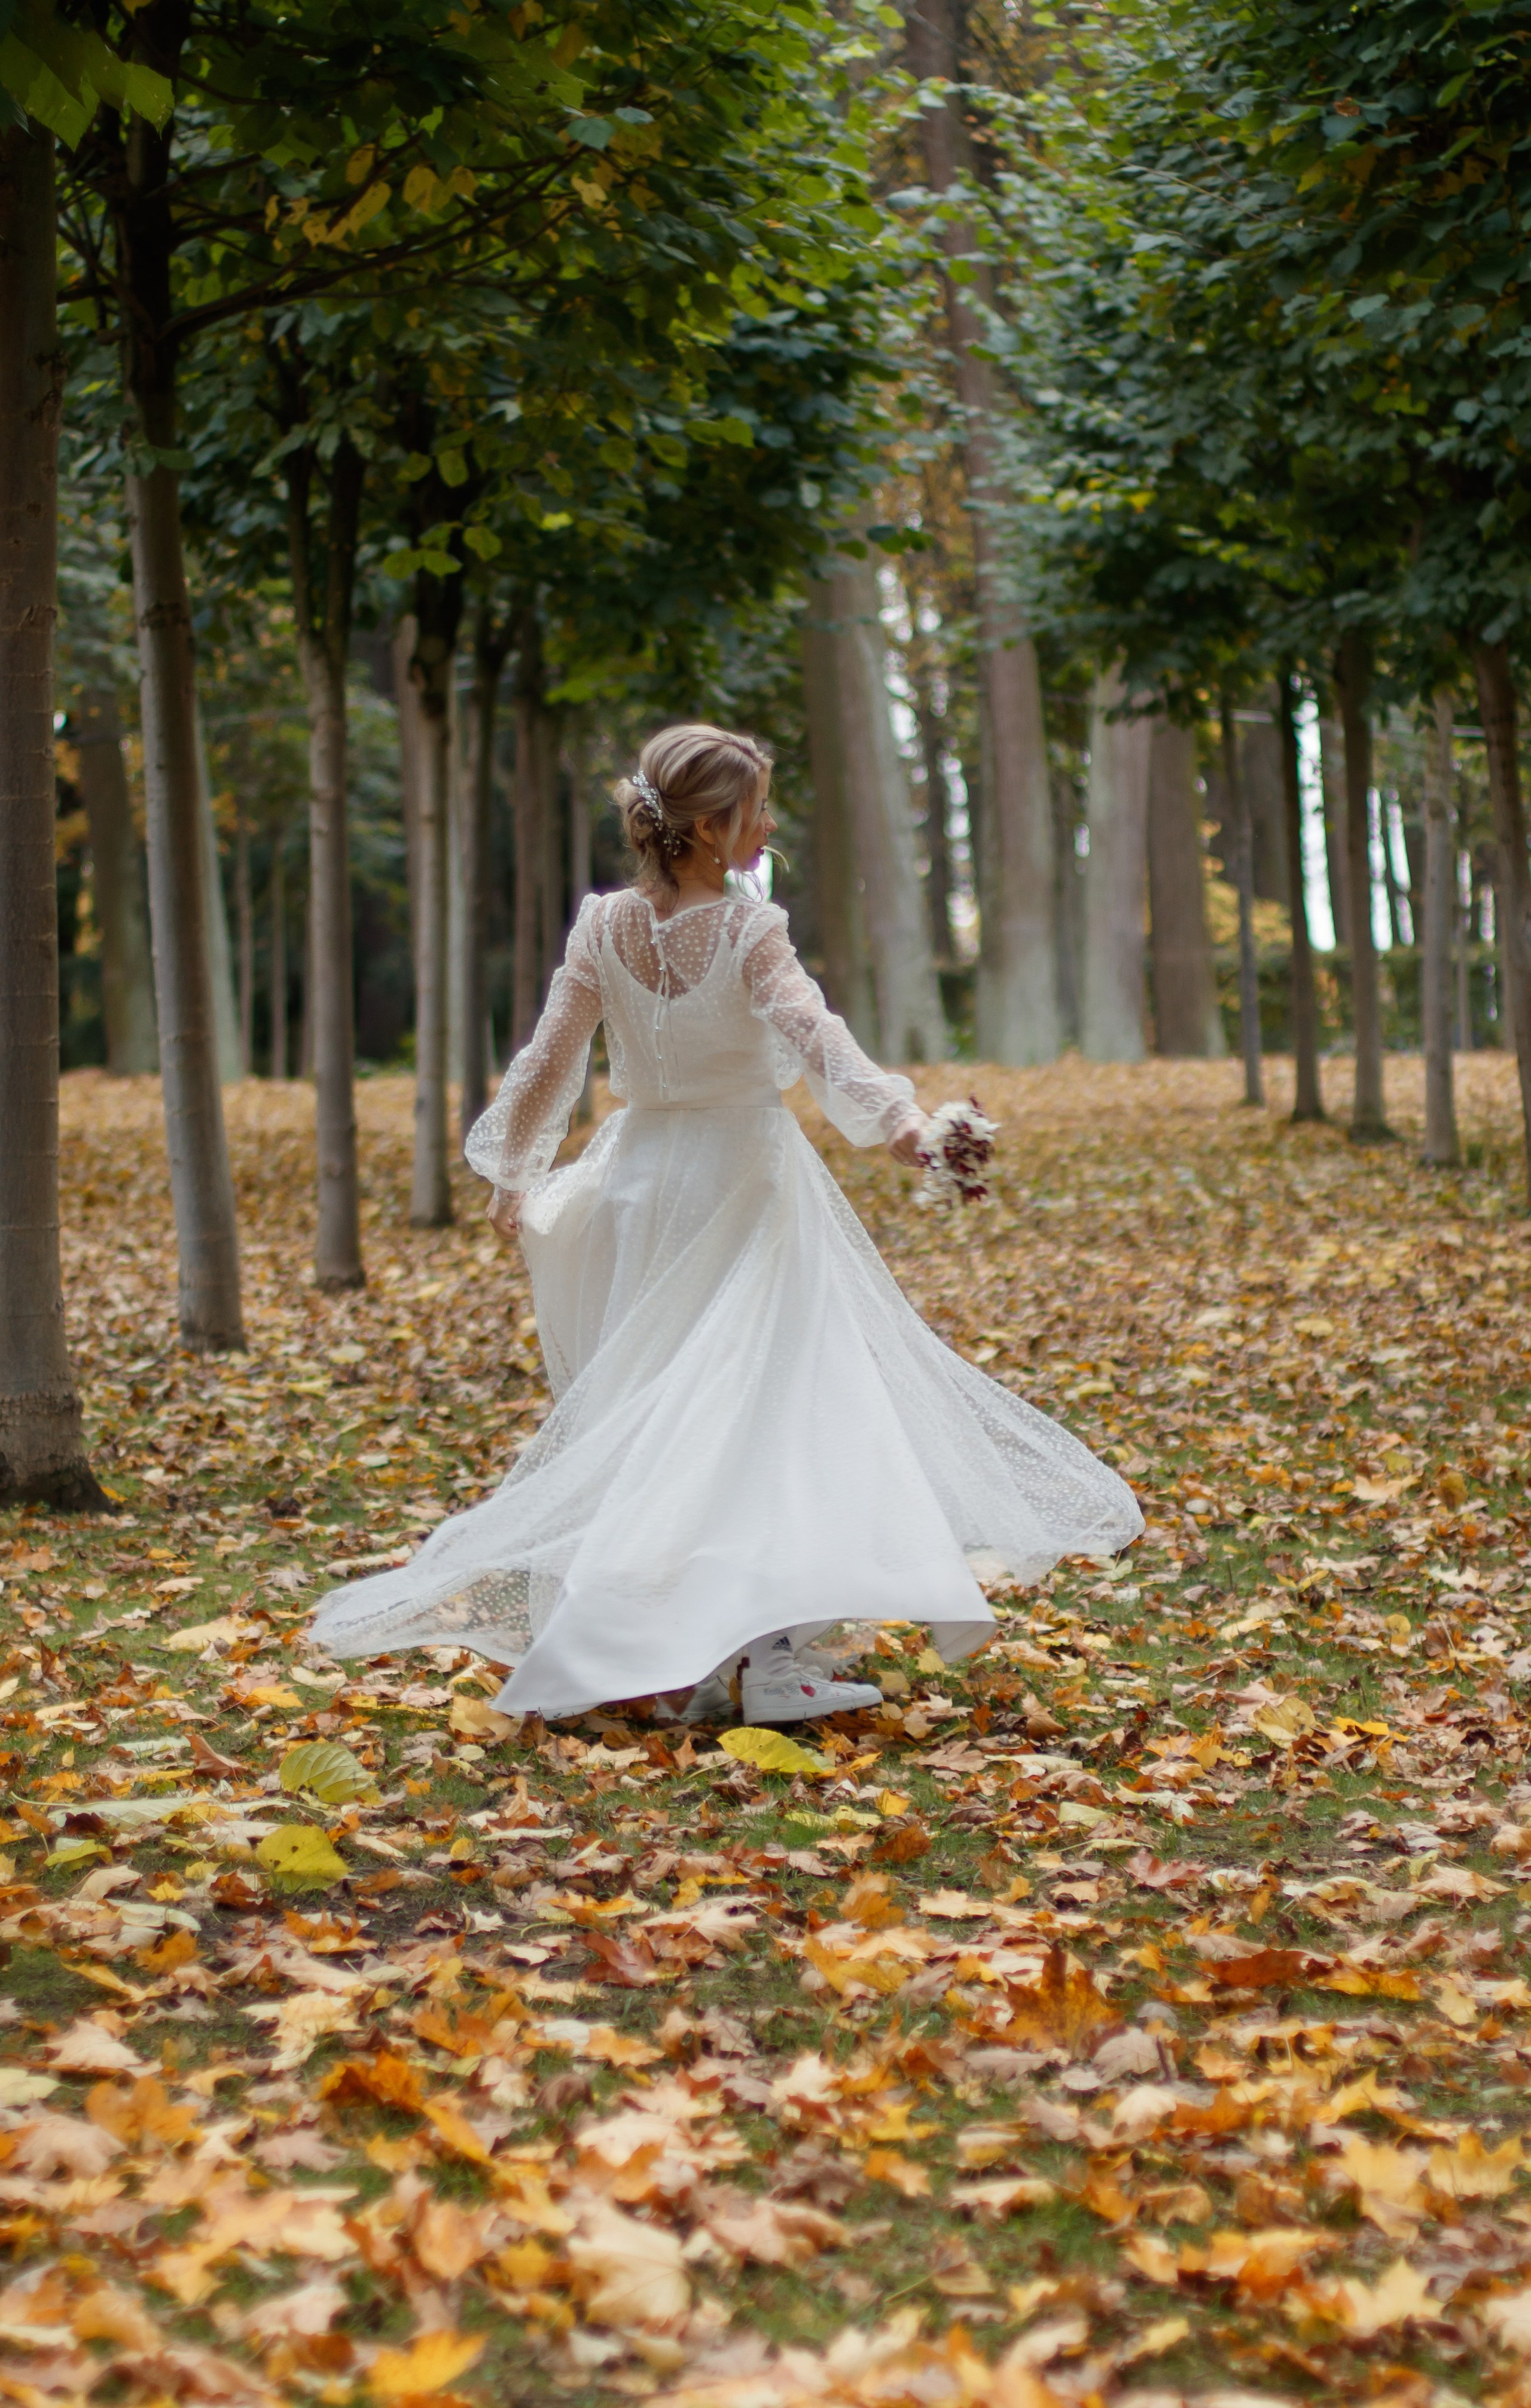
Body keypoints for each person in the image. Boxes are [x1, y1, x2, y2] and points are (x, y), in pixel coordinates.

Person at [309, 722, 1141, 1725]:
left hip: (638, 1188)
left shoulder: (603, 926)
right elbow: (813, 1033)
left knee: (674, 1425)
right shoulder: (751, 931)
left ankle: (692, 1653)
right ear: (708, 828)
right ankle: (771, 1664)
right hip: (743, 1189)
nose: (770, 823)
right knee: (776, 1412)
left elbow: (548, 1059)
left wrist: (516, 1172)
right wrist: (908, 1130)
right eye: (757, 811)